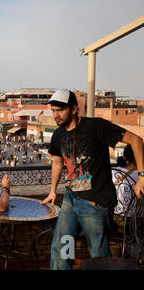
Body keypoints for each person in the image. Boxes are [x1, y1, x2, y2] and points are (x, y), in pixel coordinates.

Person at [41, 89, 144, 270]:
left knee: (99, 255)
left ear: (74, 109)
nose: (56, 115)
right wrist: (52, 190)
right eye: (53, 111)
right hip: (70, 199)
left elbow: (136, 140)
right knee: (63, 247)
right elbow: (57, 163)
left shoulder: (95, 126)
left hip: (96, 202)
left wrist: (142, 177)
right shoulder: (57, 135)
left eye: (60, 110)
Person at [112, 144, 141, 217]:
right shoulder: (141, 176)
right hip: (137, 218)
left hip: (115, 216)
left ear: (124, 156)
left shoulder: (113, 172)